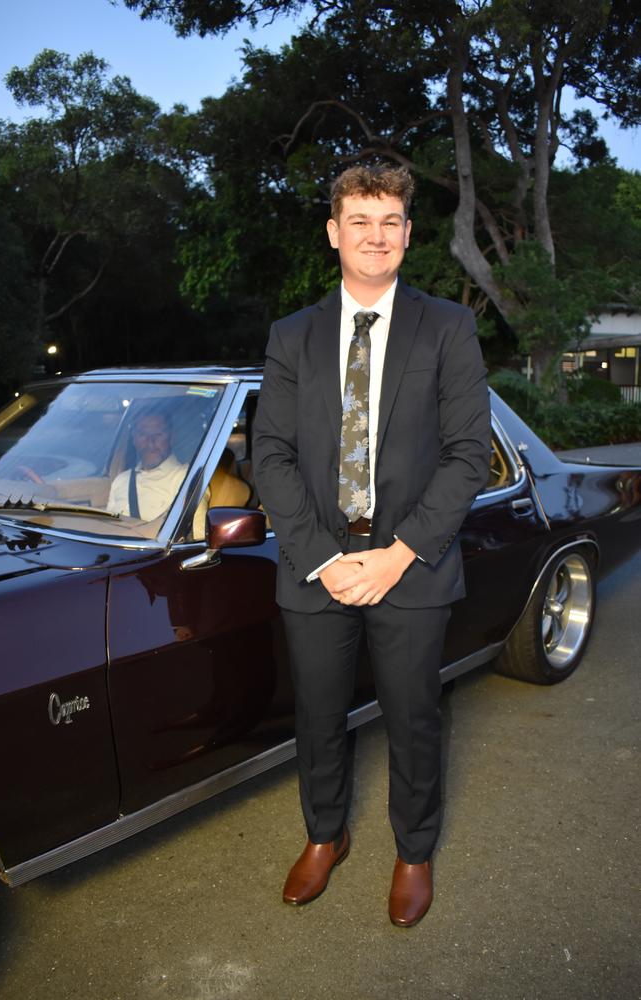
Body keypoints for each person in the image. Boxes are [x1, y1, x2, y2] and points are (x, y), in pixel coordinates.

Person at [253, 164, 491, 927]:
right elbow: (271, 457)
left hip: (411, 568)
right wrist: (324, 557)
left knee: (415, 718)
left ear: (409, 234)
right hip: (317, 565)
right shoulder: (292, 336)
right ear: (334, 232)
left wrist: (397, 555)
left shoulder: (447, 327)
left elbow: (466, 453)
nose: (375, 236)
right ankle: (325, 836)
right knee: (318, 717)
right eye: (360, 221)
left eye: (390, 221)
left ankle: (414, 849)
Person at [107, 408, 187, 521]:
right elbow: (108, 525)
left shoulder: (185, 478)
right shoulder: (121, 480)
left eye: (158, 434)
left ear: (172, 437)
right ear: (134, 439)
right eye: (143, 434)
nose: (150, 442)